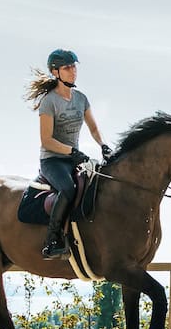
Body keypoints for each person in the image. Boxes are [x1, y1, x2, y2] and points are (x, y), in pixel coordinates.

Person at [25, 49, 112, 259]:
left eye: (74, 66)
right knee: (68, 188)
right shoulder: (49, 101)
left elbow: (93, 128)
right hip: (53, 160)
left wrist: (103, 145)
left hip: (73, 159)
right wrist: (71, 151)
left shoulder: (81, 98)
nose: (73, 71)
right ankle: (52, 239)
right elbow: (46, 140)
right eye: (67, 68)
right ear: (56, 72)